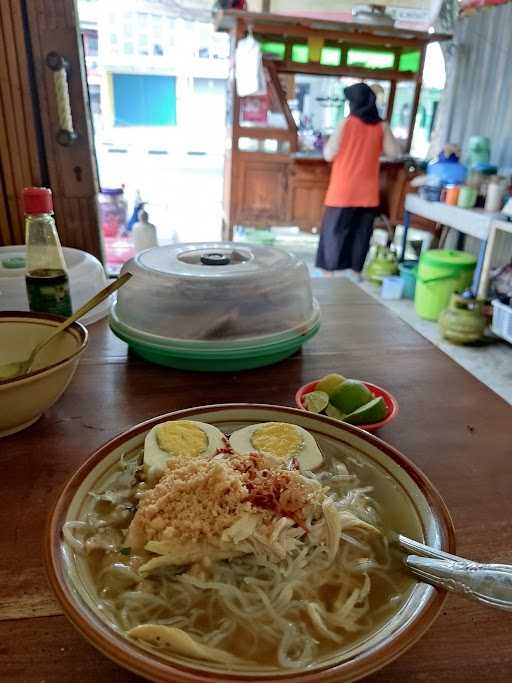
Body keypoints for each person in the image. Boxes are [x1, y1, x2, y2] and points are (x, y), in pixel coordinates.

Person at [315, 82, 402, 275]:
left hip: (342, 192)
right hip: (367, 195)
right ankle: (353, 276)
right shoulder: (382, 126)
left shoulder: (346, 123)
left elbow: (329, 154)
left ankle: (329, 276)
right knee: (360, 236)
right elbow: (394, 153)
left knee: (334, 235)